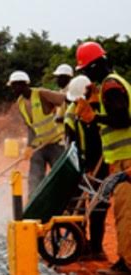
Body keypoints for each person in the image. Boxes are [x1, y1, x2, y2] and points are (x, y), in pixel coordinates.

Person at [74, 41, 131, 275]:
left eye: (87, 70)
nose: (87, 76)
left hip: (127, 159)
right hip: (121, 159)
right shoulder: (112, 84)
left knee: (125, 213)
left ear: (96, 65)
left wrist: (95, 117)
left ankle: (127, 264)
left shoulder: (111, 85)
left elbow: (123, 120)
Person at [64, 75, 110, 261]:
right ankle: (81, 243)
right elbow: (71, 144)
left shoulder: (101, 110)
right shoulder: (72, 114)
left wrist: (94, 167)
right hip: (81, 164)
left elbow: (100, 139)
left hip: (101, 163)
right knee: (77, 204)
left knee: (99, 205)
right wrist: (81, 168)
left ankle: (96, 249)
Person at [7, 71, 66, 196]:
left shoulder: (41, 94)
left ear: (22, 85)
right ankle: (33, 204)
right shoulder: (20, 103)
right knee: (35, 178)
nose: (13, 90)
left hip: (55, 144)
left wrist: (66, 118)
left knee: (61, 177)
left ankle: (68, 208)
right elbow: (31, 127)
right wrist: (29, 146)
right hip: (38, 147)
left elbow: (65, 100)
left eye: (14, 86)